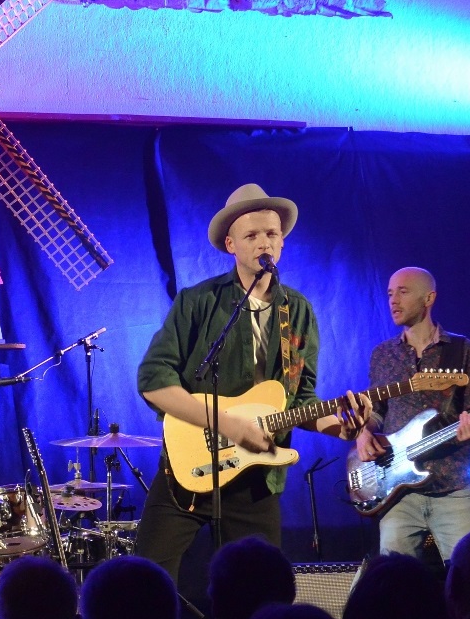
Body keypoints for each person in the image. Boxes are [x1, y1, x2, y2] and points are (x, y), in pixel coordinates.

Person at [136, 184, 370, 581]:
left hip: (257, 479)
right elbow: (153, 380)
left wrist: (340, 427)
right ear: (231, 244)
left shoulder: (297, 311)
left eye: (272, 234)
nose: (265, 242)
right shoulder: (198, 301)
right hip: (186, 471)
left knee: (258, 595)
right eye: (252, 235)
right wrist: (226, 423)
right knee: (141, 586)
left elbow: (300, 399)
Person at [354, 268, 470, 563]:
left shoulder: (463, 350)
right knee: (393, 587)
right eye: (389, 293)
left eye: (403, 291)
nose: (393, 300)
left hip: (452, 486)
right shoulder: (383, 354)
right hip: (398, 492)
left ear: (429, 298)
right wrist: (363, 433)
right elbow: (376, 412)